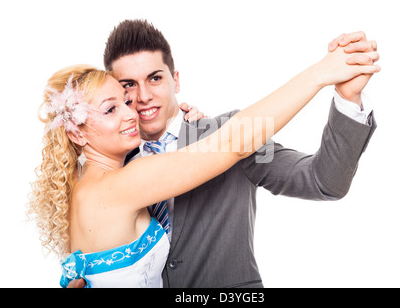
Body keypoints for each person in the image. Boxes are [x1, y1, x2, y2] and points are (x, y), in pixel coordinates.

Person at [29, 21, 379, 288]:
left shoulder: (218, 130)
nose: (139, 100)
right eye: (126, 89)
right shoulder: (118, 173)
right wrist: (320, 72)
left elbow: (322, 181)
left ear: (175, 80)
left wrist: (347, 100)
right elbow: (232, 142)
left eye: (154, 78)